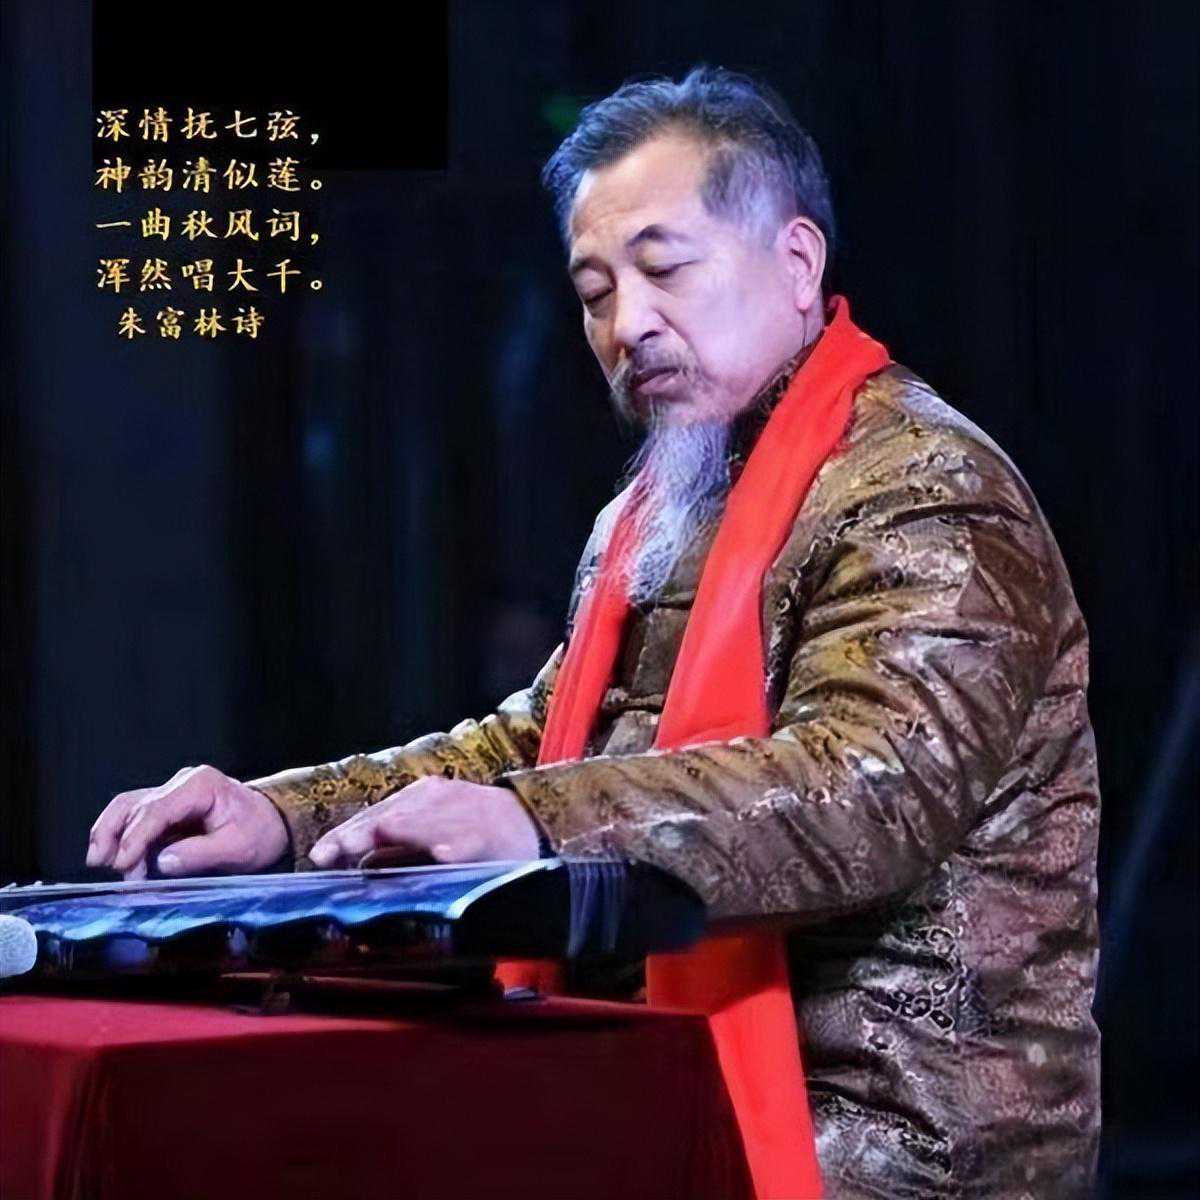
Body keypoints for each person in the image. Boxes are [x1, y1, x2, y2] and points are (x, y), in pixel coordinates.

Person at [86, 67, 1101, 1198]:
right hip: (664, 1074)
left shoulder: (928, 487)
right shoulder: (654, 511)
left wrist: (533, 825)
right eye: (594, 290)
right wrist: (281, 816)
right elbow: (533, 742)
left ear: (798, 263)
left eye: (665, 269)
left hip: (901, 1131)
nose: (628, 324)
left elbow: (866, 791)